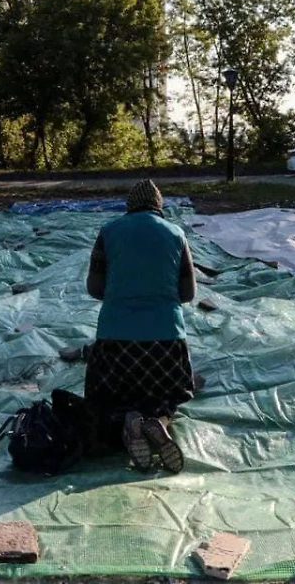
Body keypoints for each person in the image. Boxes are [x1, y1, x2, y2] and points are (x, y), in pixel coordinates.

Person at [85, 179, 197, 474]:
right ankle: (159, 422)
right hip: (166, 342)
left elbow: (95, 288)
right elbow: (188, 294)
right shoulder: (176, 234)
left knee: (107, 397)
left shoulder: (109, 232)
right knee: (168, 396)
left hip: (115, 342)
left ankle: (128, 419)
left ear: (129, 206)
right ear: (159, 207)